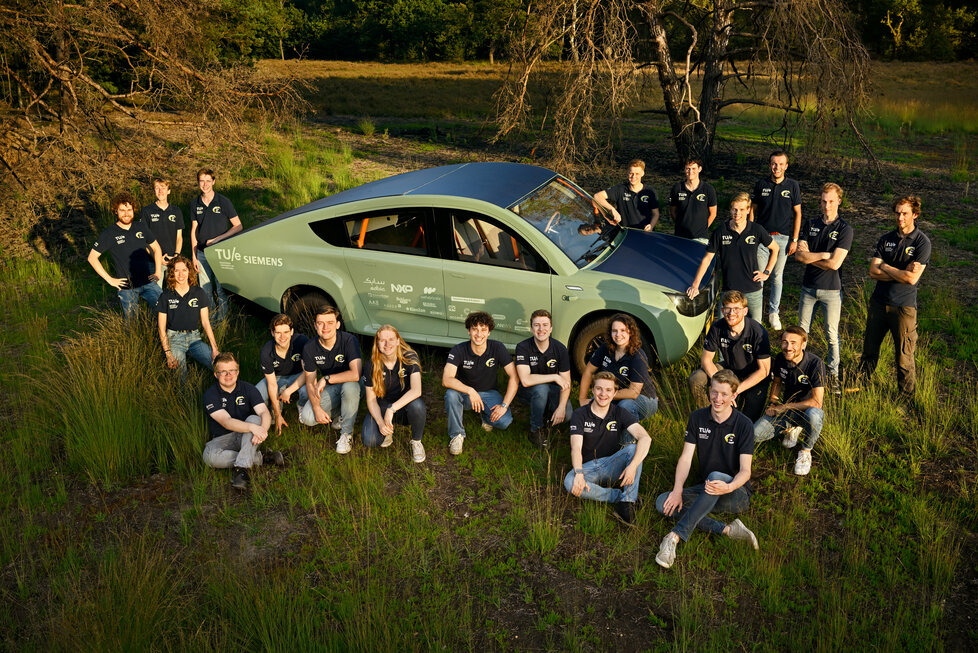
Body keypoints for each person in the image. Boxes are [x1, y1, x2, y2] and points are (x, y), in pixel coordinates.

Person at [654, 370, 759, 569]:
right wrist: (677, 490)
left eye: (724, 394)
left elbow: (745, 471)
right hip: (708, 489)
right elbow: (686, 458)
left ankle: (674, 536)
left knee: (715, 477)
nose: (718, 399)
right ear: (709, 390)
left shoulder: (744, 425)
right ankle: (728, 530)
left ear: (734, 396)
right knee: (663, 502)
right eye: (714, 392)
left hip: (736, 494)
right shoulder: (697, 418)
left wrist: (728, 487)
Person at [857, 195, 931, 397]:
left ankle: (905, 398)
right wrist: (900, 271)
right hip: (878, 303)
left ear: (915, 215)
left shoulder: (922, 243)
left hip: (904, 307)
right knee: (869, 350)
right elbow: (873, 272)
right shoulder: (886, 239)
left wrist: (886, 267)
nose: (900, 217)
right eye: (897, 213)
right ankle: (860, 388)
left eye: (905, 213)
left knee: (904, 358)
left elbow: (911, 280)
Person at [564, 371, 653, 525]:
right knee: (569, 482)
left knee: (632, 450)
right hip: (589, 468)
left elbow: (645, 437)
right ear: (592, 390)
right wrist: (578, 473)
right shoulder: (580, 414)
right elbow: (576, 447)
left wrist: (632, 466)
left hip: (612, 465)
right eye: (599, 389)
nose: (603, 394)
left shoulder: (619, 412)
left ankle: (626, 505)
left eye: (608, 390)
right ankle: (619, 496)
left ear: (614, 393)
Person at [794, 183, 853, 387]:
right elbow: (799, 256)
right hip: (808, 288)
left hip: (831, 290)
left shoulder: (845, 229)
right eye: (823, 201)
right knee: (802, 333)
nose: (827, 206)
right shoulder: (810, 224)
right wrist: (822, 255)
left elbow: (835, 263)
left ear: (839, 201)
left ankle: (833, 375)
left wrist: (810, 257)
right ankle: (800, 372)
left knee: (831, 334)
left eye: (831, 201)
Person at [687, 192, 779, 321]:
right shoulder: (720, 231)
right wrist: (695, 285)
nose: (738, 213)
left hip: (753, 291)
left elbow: (775, 248)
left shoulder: (757, 230)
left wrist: (767, 273)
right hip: (729, 290)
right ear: (730, 210)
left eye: (742, 209)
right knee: (722, 329)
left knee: (756, 331)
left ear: (748, 210)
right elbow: (707, 259)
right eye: (735, 209)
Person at [202, 352, 285, 491]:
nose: (228, 375)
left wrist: (262, 429)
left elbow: (264, 412)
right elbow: (226, 421)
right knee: (209, 457)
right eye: (223, 372)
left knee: (255, 418)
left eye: (232, 371)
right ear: (216, 374)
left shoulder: (248, 388)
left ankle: (241, 471)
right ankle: (261, 457)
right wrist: (253, 428)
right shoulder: (210, 394)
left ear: (238, 372)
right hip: (223, 438)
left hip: (246, 437)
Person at [688, 291, 772, 422]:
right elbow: (706, 360)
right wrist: (722, 387)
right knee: (696, 379)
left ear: (745, 311)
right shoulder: (717, 327)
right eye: (728, 308)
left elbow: (764, 371)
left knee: (747, 421)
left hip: (754, 376)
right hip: (730, 370)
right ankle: (712, 417)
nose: (731, 313)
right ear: (722, 310)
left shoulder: (758, 331)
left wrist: (736, 390)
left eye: (737, 309)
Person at [442, 311, 518, 456]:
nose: (479, 334)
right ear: (468, 331)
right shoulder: (459, 349)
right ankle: (457, 435)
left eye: (483, 329)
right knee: (451, 394)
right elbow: (446, 379)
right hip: (465, 394)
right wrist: (470, 391)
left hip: (489, 393)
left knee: (504, 422)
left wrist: (504, 405)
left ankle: (485, 415)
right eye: (475, 329)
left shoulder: (497, 348)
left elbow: (514, 377)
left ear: (489, 332)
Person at [754, 326, 825, 476]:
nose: (788, 347)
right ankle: (792, 428)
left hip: (806, 410)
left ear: (803, 344)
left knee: (815, 414)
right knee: (756, 434)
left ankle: (805, 451)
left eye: (793, 343)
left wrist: (785, 406)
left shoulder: (815, 363)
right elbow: (777, 383)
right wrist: (773, 403)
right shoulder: (780, 358)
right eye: (785, 342)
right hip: (787, 411)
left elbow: (817, 402)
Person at [87, 191, 163, 318]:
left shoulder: (141, 227)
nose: (126, 214)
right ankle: (134, 337)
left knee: (163, 308)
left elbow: (157, 248)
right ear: (116, 211)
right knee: (132, 321)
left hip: (149, 281)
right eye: (122, 210)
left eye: (129, 209)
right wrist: (110, 280)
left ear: (134, 210)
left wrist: (158, 272)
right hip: (127, 286)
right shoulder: (109, 233)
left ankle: (158, 334)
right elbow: (92, 258)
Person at [750, 150, 802, 330]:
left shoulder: (793, 186)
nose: (777, 167)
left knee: (777, 277)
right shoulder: (761, 184)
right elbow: (752, 210)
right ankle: (756, 312)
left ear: (786, 166)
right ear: (769, 165)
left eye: (780, 164)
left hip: (783, 239)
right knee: (760, 275)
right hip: (762, 238)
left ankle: (773, 313)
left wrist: (795, 239)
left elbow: (798, 214)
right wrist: (750, 232)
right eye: (774, 163)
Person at [299, 306, 362, 454]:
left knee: (349, 388)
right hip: (333, 387)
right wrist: (316, 408)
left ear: (338, 324)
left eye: (330, 322)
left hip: (355, 385)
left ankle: (346, 434)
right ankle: (342, 411)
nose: (325, 327)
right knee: (308, 417)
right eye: (320, 323)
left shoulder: (348, 340)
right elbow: (309, 381)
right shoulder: (309, 347)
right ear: (315, 325)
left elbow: (356, 374)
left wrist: (327, 378)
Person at [362, 325, 426, 463]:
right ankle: (388, 430)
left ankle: (416, 441)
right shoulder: (371, 365)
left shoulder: (409, 357)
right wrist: (380, 422)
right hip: (382, 405)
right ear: (377, 344)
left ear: (398, 340)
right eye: (382, 340)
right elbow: (371, 400)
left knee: (418, 406)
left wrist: (391, 410)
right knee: (369, 440)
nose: (387, 344)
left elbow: (416, 390)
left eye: (391, 339)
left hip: (406, 405)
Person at [578, 313, 658, 423]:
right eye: (614, 331)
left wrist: (603, 396)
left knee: (624, 407)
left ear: (630, 332)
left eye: (622, 330)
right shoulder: (605, 348)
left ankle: (628, 440)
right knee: (590, 409)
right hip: (615, 394)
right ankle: (602, 436)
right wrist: (582, 399)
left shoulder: (638, 356)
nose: (618, 334)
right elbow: (588, 371)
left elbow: (633, 392)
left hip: (644, 399)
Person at [515, 309, 574, 448]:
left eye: (545, 325)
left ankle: (548, 418)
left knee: (568, 414)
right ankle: (535, 429)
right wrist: (554, 376)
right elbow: (525, 380)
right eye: (537, 325)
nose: (541, 329)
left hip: (552, 389)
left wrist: (561, 407)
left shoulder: (560, 349)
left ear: (551, 328)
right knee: (541, 389)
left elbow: (566, 382)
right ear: (531, 328)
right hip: (527, 391)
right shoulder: (523, 347)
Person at [189, 168, 241, 323]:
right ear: (198, 182)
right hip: (202, 254)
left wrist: (219, 239)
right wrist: (194, 256)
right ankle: (210, 321)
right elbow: (193, 231)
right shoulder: (194, 204)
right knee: (205, 290)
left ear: (213, 182)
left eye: (208, 181)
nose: (205, 184)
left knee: (221, 289)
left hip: (220, 253)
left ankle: (222, 321)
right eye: (201, 181)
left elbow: (238, 226)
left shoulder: (223, 201)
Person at [157, 255, 218, 379]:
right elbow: (161, 328)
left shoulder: (199, 292)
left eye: (184, 270)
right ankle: (185, 398)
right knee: (181, 378)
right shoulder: (166, 295)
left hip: (195, 338)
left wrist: (215, 348)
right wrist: (168, 353)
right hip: (174, 339)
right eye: (177, 270)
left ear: (189, 271)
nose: (181, 274)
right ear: (172, 273)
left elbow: (205, 322)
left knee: (219, 366)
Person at [256, 314, 309, 436]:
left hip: (299, 375)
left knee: (307, 390)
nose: (282, 337)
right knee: (256, 394)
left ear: (292, 331)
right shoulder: (267, 351)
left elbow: (308, 373)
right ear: (272, 333)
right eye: (278, 333)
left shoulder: (302, 342)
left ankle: (301, 405)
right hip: (277, 378)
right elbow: (272, 383)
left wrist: (288, 391)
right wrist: (277, 414)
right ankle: (271, 416)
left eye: (286, 332)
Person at [593, 159, 660, 231]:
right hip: (625, 234)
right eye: (631, 173)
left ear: (642, 173)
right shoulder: (620, 189)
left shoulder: (650, 191)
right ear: (627, 172)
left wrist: (651, 226)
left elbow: (655, 214)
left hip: (645, 234)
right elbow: (597, 196)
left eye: (637, 174)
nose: (633, 176)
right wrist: (612, 209)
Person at [140, 178, 184, 276]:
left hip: (172, 260)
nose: (160, 191)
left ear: (169, 191)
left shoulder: (176, 211)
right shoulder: (146, 211)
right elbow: (144, 239)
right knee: (155, 291)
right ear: (154, 191)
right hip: (153, 260)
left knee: (173, 290)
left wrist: (176, 255)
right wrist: (157, 258)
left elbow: (179, 237)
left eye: (163, 188)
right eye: (157, 188)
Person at [669, 159, 718, 244]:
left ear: (700, 169)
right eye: (688, 168)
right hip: (680, 237)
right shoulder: (677, 188)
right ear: (684, 169)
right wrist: (680, 224)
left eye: (693, 168)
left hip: (700, 238)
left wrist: (704, 228)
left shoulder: (708, 189)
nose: (690, 171)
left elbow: (713, 213)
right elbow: (672, 211)